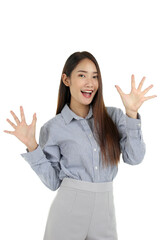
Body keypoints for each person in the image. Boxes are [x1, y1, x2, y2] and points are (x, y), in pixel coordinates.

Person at [4, 51, 157, 240]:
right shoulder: (53, 128)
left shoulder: (114, 117)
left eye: (95, 76)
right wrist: (32, 145)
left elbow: (135, 158)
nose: (90, 83)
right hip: (68, 210)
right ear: (66, 80)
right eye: (82, 75)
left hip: (105, 210)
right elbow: (53, 183)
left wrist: (132, 113)